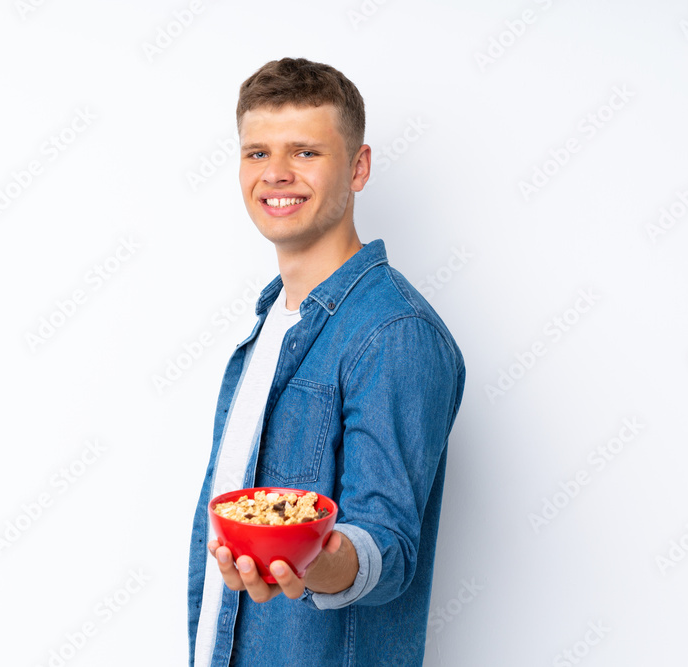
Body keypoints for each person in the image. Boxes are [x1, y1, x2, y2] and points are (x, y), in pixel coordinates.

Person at [187, 57, 466, 666]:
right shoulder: (270, 323)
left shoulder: (394, 334)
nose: (277, 174)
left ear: (358, 167)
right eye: (257, 153)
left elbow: (386, 550)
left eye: (306, 153)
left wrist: (311, 557)